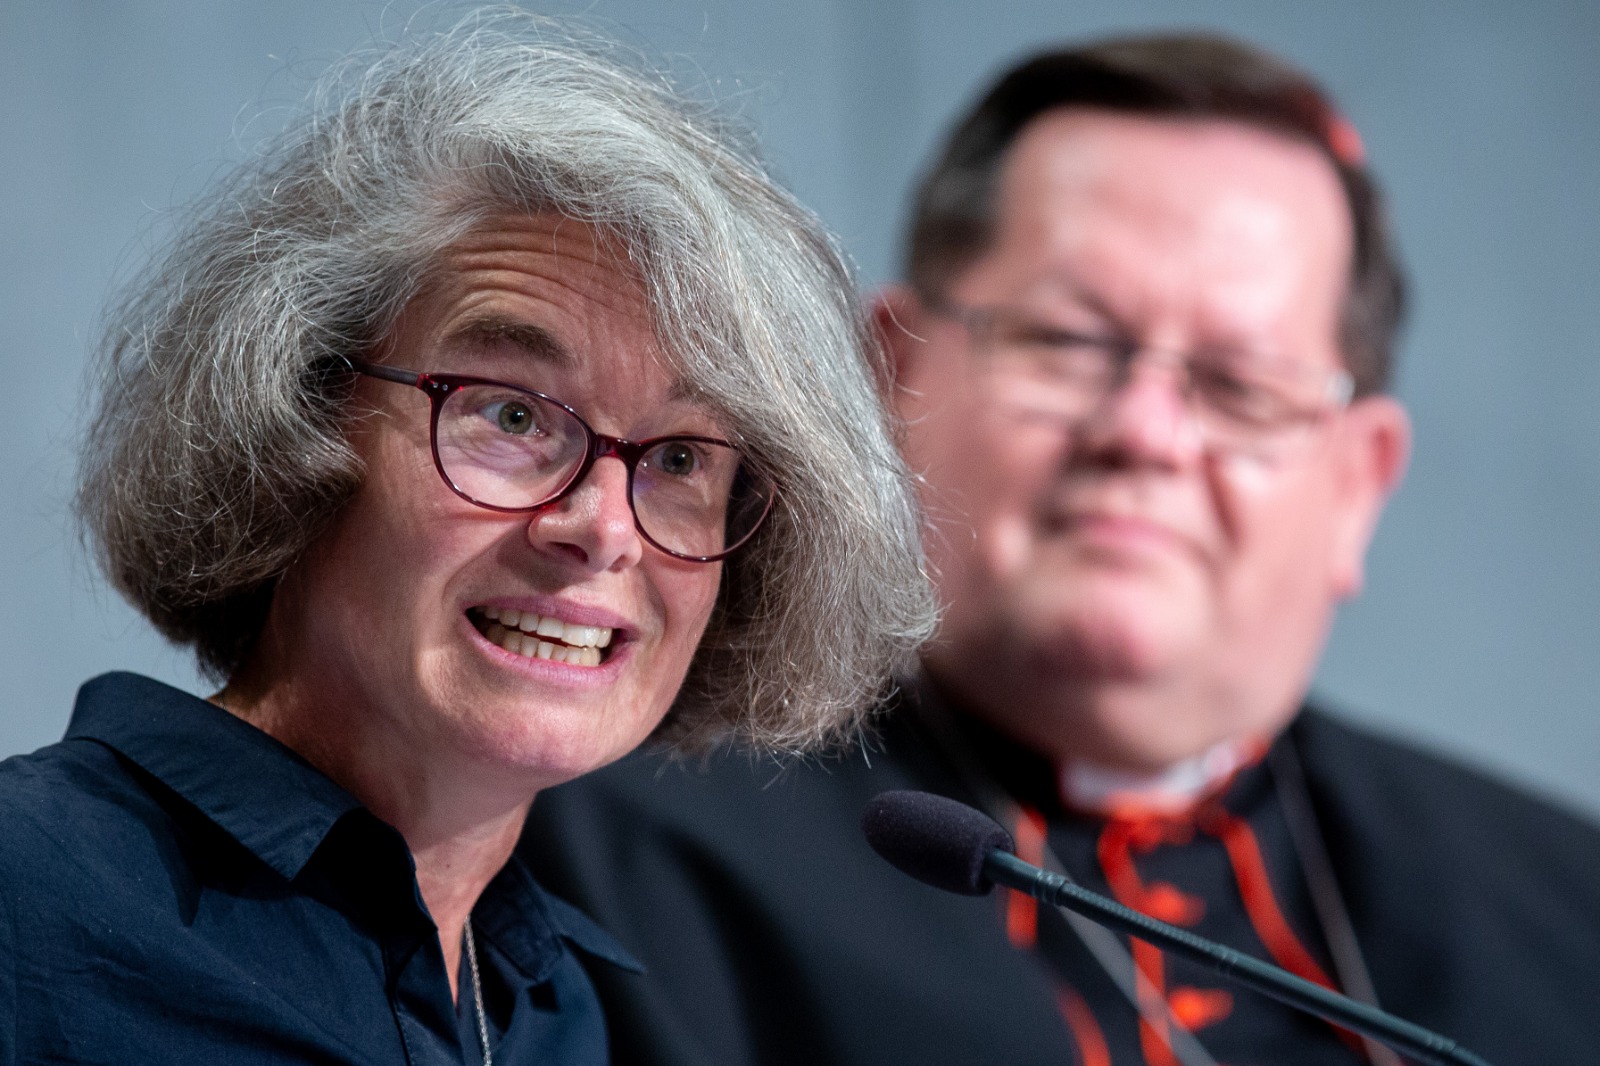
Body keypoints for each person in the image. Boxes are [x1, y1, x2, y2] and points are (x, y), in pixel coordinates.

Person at [523, 32, 1600, 1066]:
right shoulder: (610, 843)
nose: (1143, 432)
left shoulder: (1566, 911)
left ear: (1357, 485)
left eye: (1241, 387)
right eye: (1065, 343)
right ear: (888, 379)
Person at [0, 13, 934, 1063]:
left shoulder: (559, 1009)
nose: (600, 528)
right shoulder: (27, 896)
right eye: (513, 414)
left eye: (681, 459)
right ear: (294, 429)